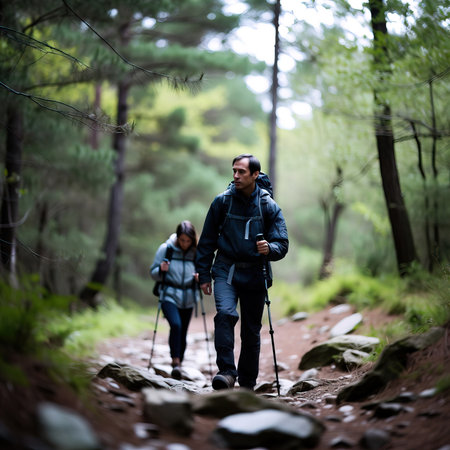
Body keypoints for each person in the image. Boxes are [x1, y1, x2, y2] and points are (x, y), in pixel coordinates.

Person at [195, 154, 289, 390]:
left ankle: (247, 383)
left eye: (241, 172)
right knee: (225, 315)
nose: (235, 176)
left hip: (256, 272)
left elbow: (282, 243)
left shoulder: (268, 205)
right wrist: (204, 274)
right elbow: (206, 240)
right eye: (234, 171)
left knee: (251, 329)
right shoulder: (222, 202)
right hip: (226, 269)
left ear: (255, 175)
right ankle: (226, 373)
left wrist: (270, 248)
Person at [150, 220, 199, 379]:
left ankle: (179, 363)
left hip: (189, 297)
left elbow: (205, 272)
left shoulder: (196, 252)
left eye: (188, 240)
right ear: (177, 237)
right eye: (182, 240)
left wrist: (200, 277)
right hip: (169, 294)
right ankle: (175, 361)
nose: (185, 243)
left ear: (192, 240)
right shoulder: (166, 249)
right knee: (176, 325)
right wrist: (161, 270)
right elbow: (153, 272)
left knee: (183, 331)